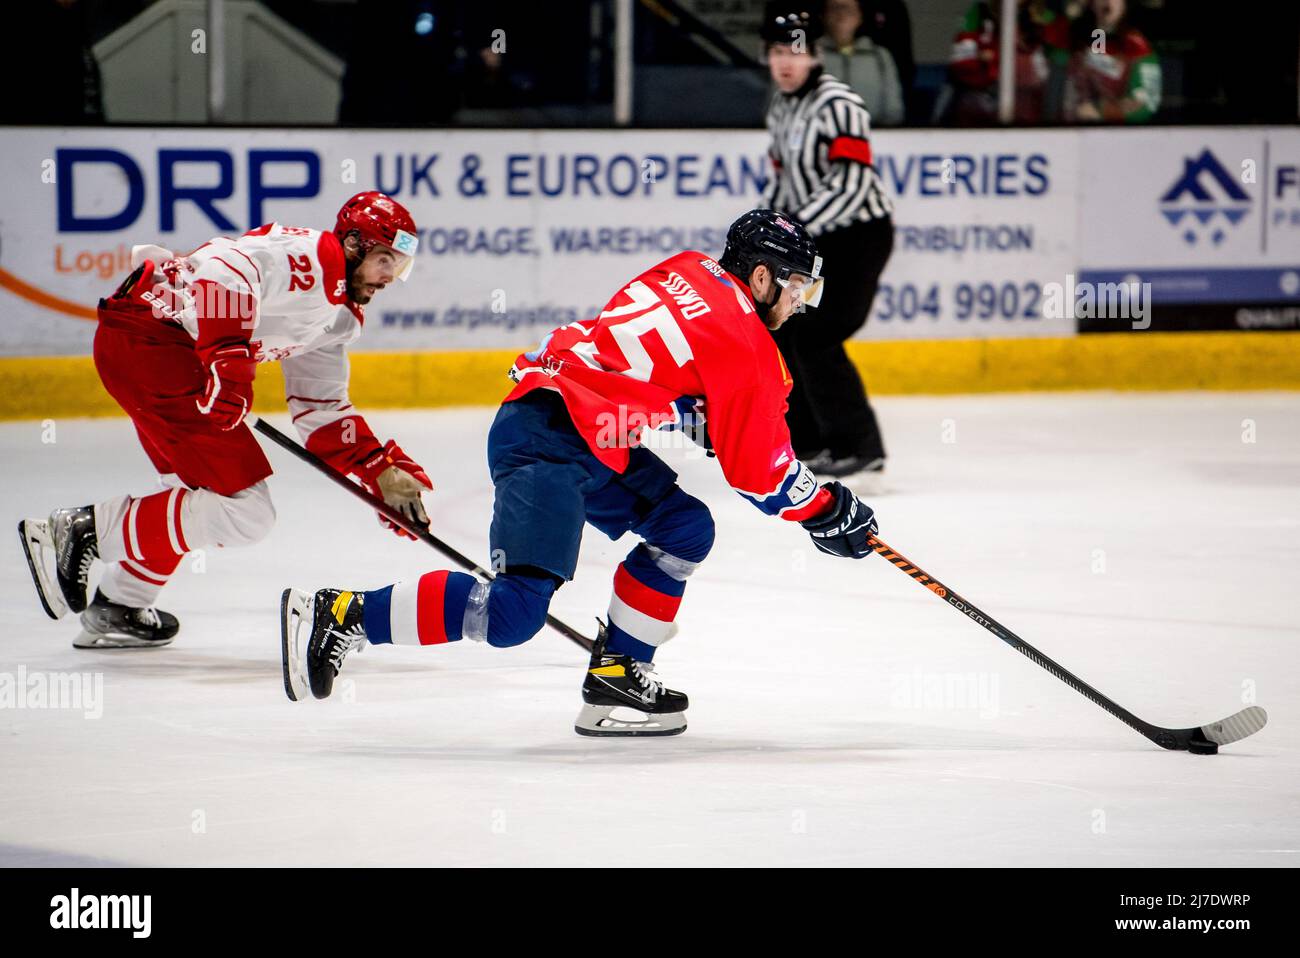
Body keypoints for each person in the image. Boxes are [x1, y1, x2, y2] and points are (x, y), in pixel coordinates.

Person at [279, 210, 880, 737]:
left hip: (582, 430)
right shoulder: (749, 348)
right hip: (551, 439)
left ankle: (619, 673)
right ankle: (341, 615)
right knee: (512, 615)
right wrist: (827, 511)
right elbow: (760, 474)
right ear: (760, 277)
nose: (800, 302)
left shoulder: (689, 268)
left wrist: (700, 416)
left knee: (685, 527)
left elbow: (649, 363)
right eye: (797, 285)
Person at [19, 193, 433, 649]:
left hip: (147, 345)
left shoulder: (338, 316)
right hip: (155, 343)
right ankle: (85, 530)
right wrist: (228, 358)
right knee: (247, 513)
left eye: (398, 266)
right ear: (353, 243)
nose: (389, 277)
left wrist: (378, 470)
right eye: (383, 259)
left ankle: (121, 600)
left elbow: (321, 409)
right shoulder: (315, 258)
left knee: (195, 497)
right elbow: (222, 266)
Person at [762, 7, 894, 488]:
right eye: (778, 51)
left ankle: (862, 449)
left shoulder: (840, 103)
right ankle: (812, 444)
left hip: (858, 237)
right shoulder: (780, 105)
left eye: (796, 50)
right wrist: (762, 228)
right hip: (814, 241)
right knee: (785, 331)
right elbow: (783, 183)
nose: (786, 61)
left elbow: (853, 182)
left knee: (817, 335)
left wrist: (793, 231)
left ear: (815, 54)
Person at [945, 0, 1071, 125]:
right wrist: (989, 61)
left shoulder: (1047, 19)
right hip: (985, 106)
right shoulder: (980, 14)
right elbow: (961, 63)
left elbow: (1064, 62)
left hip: (1033, 110)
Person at [1064, 0, 1160, 123]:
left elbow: (1146, 104)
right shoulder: (1086, 39)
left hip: (1117, 133)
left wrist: (1102, 111)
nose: (1107, 2)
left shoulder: (1136, 44)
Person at [819, 0, 905, 127]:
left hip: (875, 136)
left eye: (848, 9)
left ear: (859, 17)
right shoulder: (809, 56)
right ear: (823, 16)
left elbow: (893, 108)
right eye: (835, 8)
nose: (841, 15)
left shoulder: (880, 56)